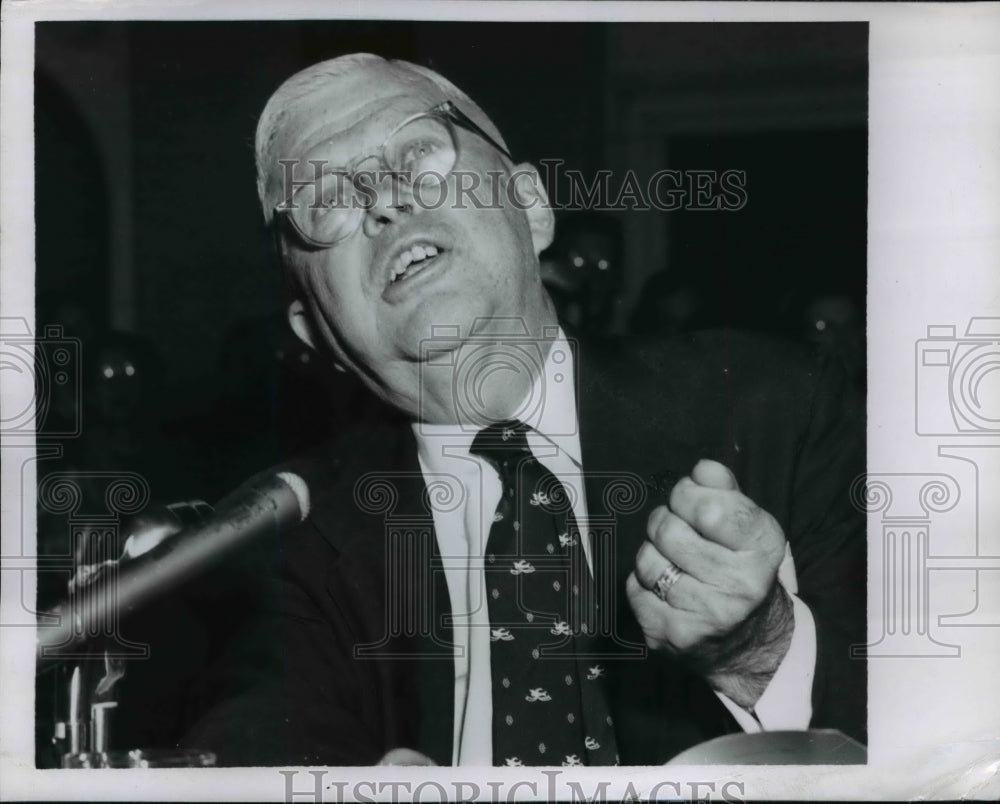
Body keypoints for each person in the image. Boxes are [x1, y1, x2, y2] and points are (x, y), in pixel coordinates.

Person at [183, 53, 865, 766]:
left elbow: (925, 728)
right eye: (324, 201)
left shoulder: (776, 406)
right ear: (313, 331)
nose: (383, 201)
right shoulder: (284, 538)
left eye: (416, 153)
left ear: (532, 206)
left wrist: (760, 652)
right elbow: (251, 739)